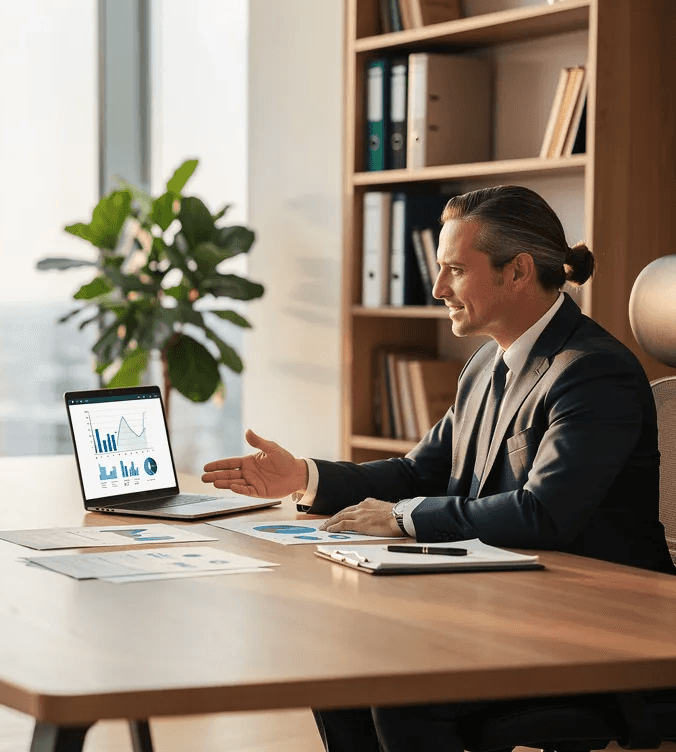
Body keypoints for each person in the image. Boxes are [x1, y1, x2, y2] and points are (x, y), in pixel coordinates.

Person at [201, 185, 675, 752]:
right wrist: (304, 476)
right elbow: (418, 472)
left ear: (517, 271)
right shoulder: (483, 365)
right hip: (514, 610)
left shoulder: (592, 372)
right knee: (340, 660)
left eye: (454, 269)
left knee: (403, 687)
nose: (437, 288)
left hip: (601, 637)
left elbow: (544, 513)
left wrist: (402, 518)